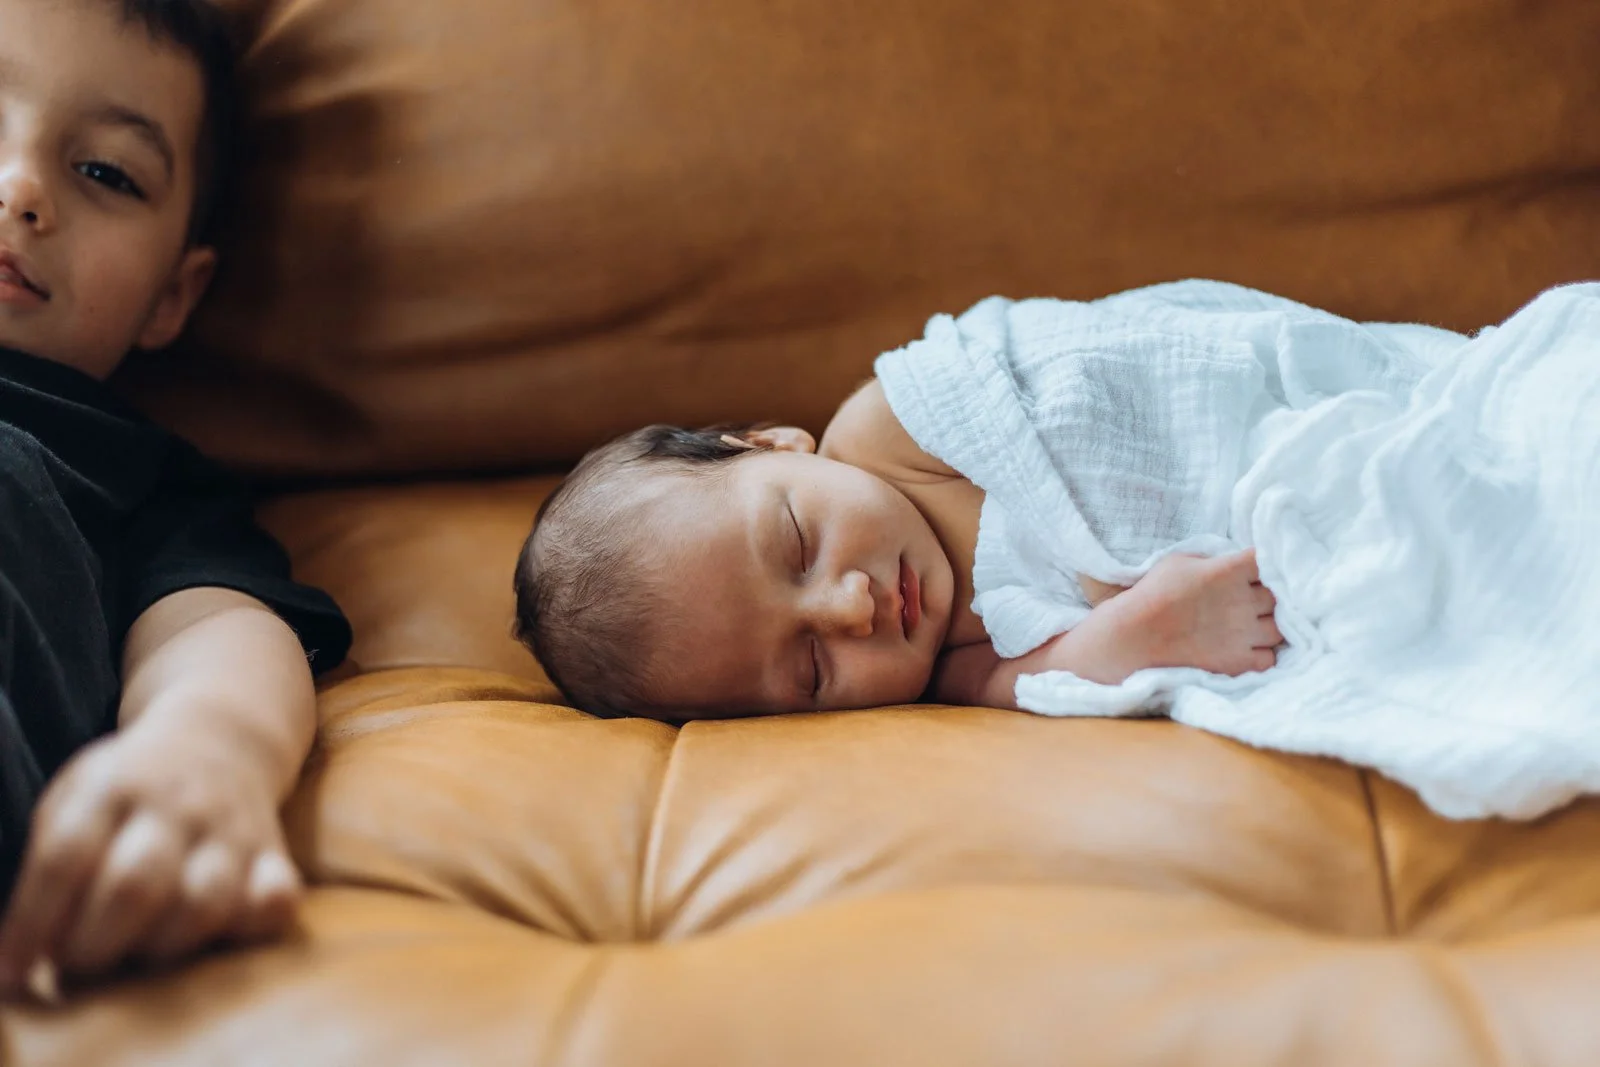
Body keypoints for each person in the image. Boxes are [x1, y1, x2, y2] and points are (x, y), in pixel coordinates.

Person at [0, 0, 351, 995]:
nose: (21, 186)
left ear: (172, 297)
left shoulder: (135, 478)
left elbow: (217, 629)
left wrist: (209, 748)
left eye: (106, 172)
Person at [514, 390, 1280, 721]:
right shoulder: (941, 673)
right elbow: (1059, 673)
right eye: (812, 667)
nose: (853, 607)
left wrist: (1109, 572)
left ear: (773, 445)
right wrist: (1137, 630)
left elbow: (1080, 405)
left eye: (799, 543)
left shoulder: (893, 428)